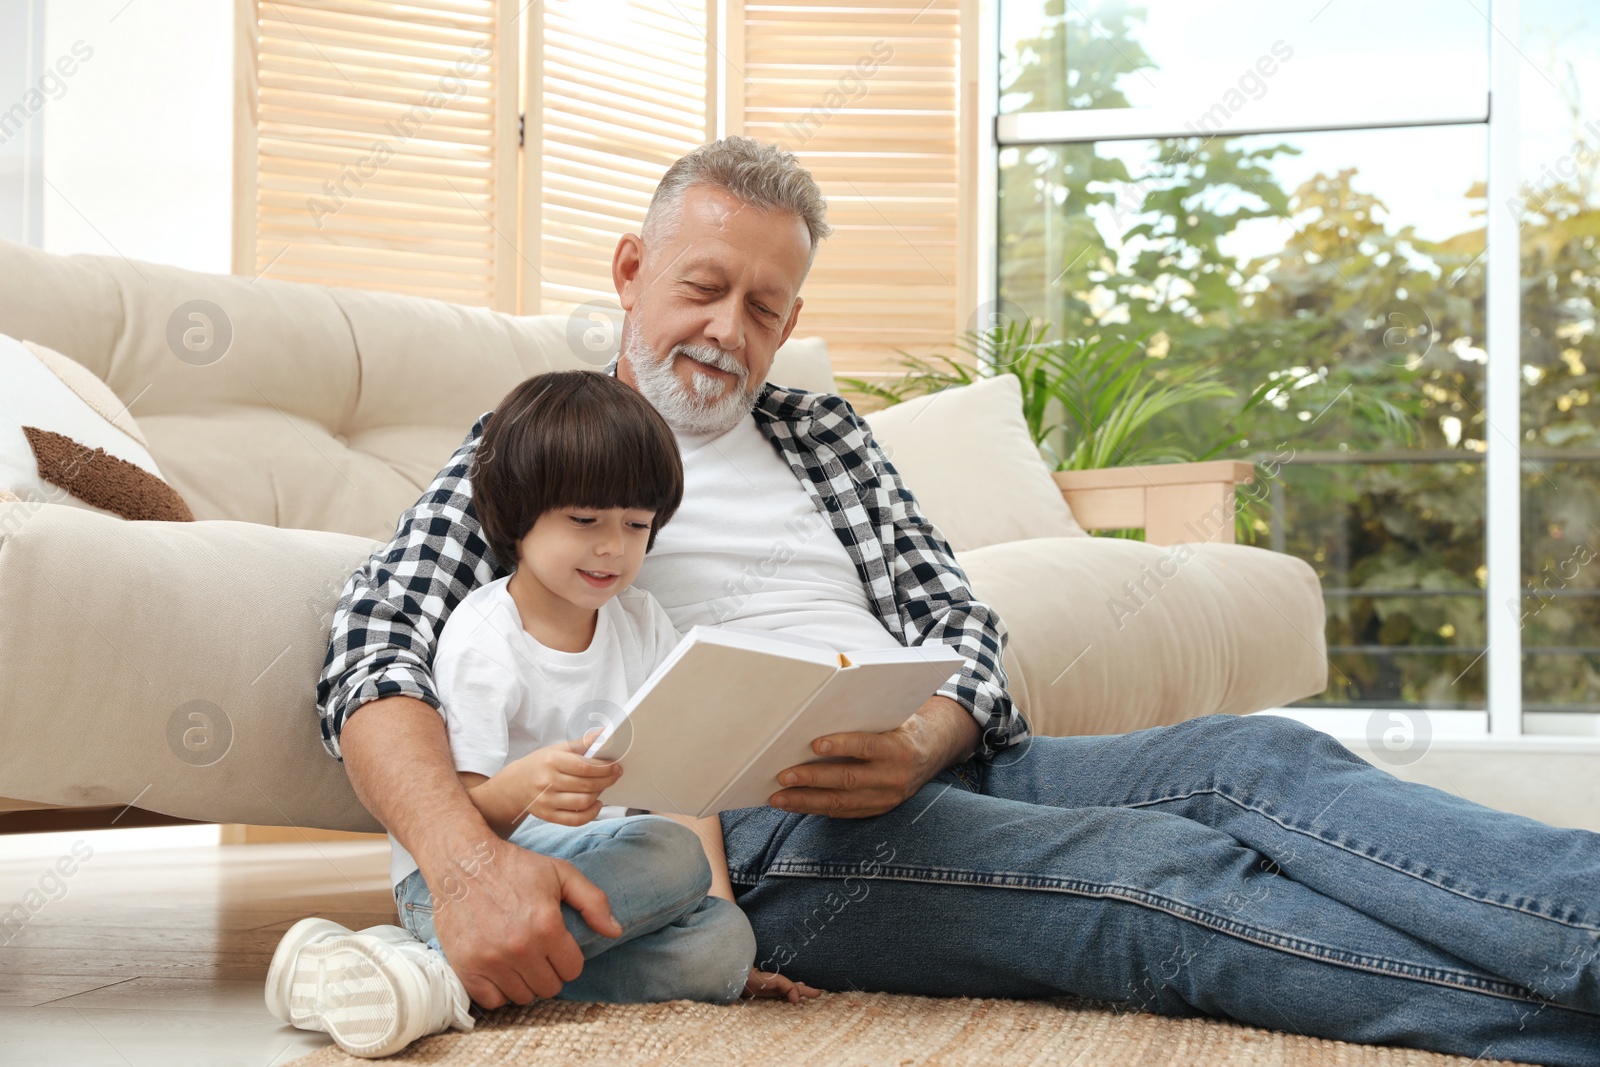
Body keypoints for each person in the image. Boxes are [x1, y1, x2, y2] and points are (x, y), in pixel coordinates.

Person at [316, 137, 1600, 1065]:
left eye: (764, 307)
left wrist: (928, 731)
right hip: (762, 839)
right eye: (704, 286)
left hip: (942, 762)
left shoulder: (821, 433)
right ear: (633, 266)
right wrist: (465, 858)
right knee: (1158, 879)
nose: (726, 328)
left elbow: (962, 624)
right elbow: (371, 646)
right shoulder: (545, 442)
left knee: (1257, 756)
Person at [272, 370, 816, 1058]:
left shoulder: (643, 622)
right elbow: (466, 815)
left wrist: (719, 915)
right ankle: (434, 956)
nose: (612, 547)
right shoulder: (484, 635)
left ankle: (427, 981)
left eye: (637, 525)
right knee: (669, 854)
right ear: (518, 519)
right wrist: (525, 787)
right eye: (585, 521)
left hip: (595, 882)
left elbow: (684, 801)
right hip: (461, 881)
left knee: (722, 943)